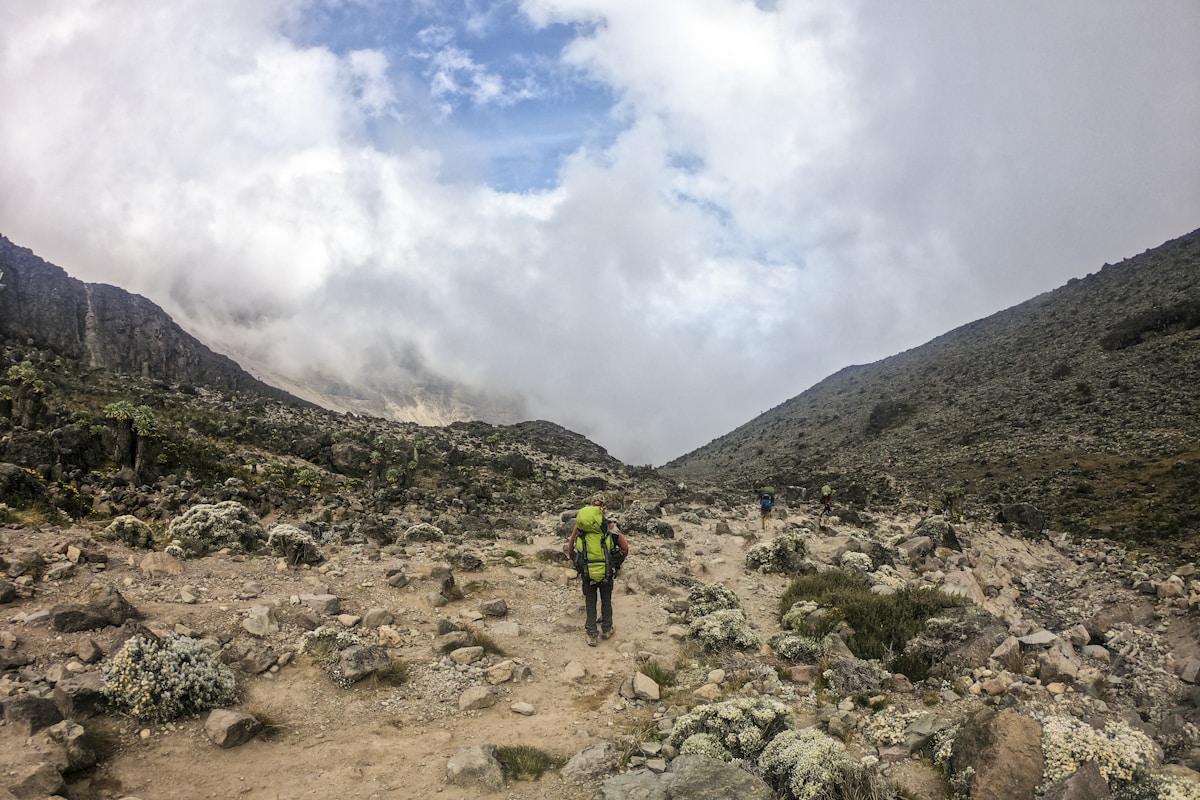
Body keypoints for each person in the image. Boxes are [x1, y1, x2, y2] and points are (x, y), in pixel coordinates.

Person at [565, 499, 629, 646]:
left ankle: (592, 634)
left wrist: (577, 564)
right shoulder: (610, 526)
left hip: (587, 572)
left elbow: (571, 548)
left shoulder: (581, 528)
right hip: (607, 571)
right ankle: (606, 629)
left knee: (590, 601)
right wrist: (616, 564)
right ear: (602, 510)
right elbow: (625, 548)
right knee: (606, 599)